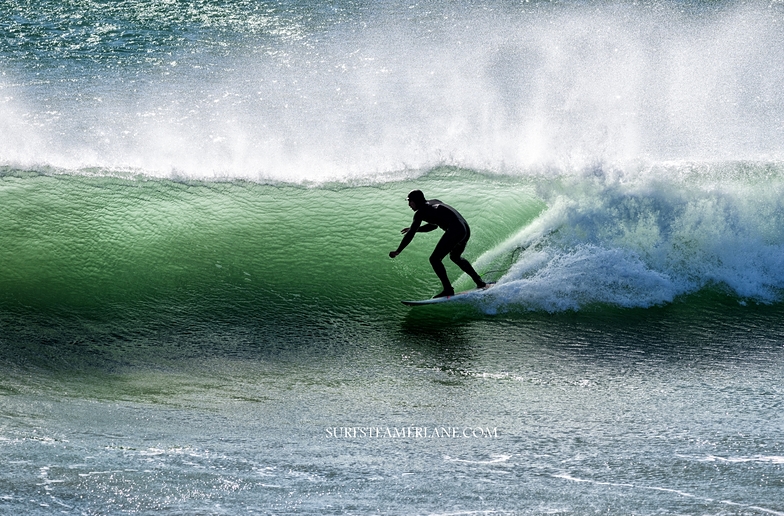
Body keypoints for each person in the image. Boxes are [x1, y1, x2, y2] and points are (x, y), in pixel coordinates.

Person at [389, 190, 486, 298]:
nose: (409, 205)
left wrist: (398, 250)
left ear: (416, 201)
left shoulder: (420, 213)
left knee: (434, 259)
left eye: (410, 202)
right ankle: (480, 282)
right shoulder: (434, 202)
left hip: (455, 230)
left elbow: (410, 234)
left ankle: (448, 289)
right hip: (465, 229)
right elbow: (433, 226)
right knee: (455, 257)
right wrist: (416, 229)